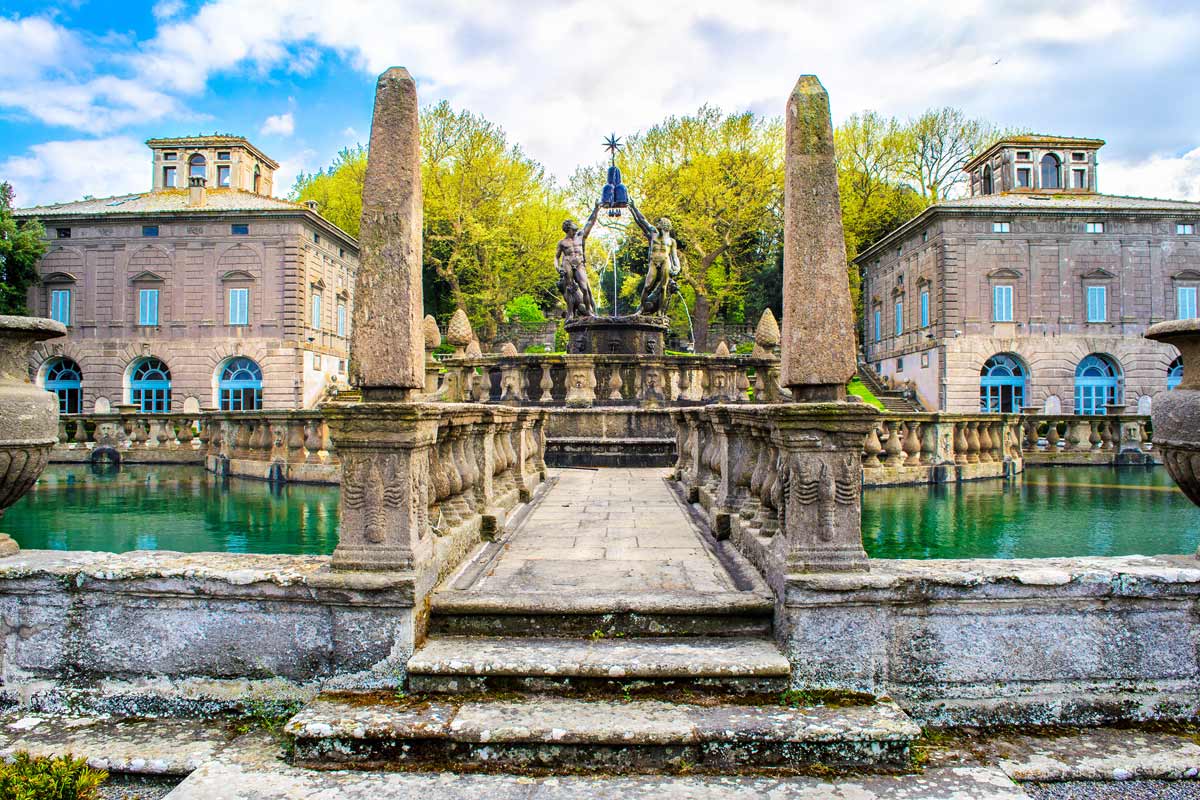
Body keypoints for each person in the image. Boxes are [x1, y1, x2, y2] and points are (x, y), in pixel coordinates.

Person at [628, 198, 681, 315]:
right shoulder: (653, 234)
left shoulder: (671, 241)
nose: (657, 225)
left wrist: (677, 268)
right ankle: (641, 309)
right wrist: (633, 208)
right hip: (653, 262)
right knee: (647, 286)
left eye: (659, 223)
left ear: (665, 225)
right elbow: (642, 221)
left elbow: (674, 256)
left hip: (665, 262)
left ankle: (660, 312)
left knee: (663, 287)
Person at [555, 202, 601, 318]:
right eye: (572, 231)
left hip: (579, 264)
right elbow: (556, 257)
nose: (575, 232)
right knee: (570, 289)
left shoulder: (580, 237)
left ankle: (589, 310)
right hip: (567, 264)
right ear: (567, 230)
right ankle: (570, 313)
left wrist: (596, 209)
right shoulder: (562, 242)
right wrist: (557, 268)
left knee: (585, 288)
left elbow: (590, 222)